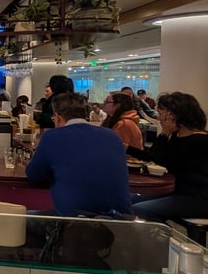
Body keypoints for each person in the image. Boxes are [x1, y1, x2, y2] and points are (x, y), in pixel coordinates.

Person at [26, 92, 133, 217]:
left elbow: (33, 174)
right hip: (123, 221)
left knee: (23, 220)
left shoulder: (52, 137)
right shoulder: (112, 136)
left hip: (76, 223)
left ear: (57, 117)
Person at [131, 92, 208, 223]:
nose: (159, 118)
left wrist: (164, 133)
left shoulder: (200, 140)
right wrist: (127, 148)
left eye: (161, 114)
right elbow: (155, 156)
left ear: (174, 115)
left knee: (141, 209)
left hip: (198, 198)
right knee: (129, 198)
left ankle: (165, 240)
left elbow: (160, 159)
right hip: (179, 192)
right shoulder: (178, 135)